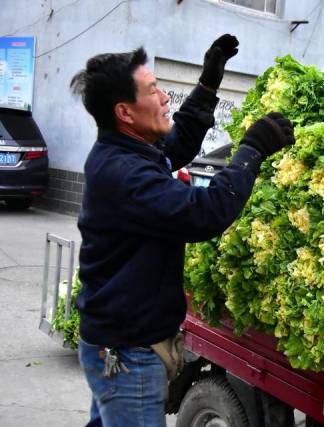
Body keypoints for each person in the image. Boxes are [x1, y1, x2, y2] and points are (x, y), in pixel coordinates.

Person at [70, 34, 294, 427]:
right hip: (129, 354)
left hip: (118, 344)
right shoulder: (124, 174)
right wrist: (252, 150)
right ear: (124, 111)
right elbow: (202, 214)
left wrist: (207, 86)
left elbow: (178, 142)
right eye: (154, 91)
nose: (163, 98)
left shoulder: (130, 151)